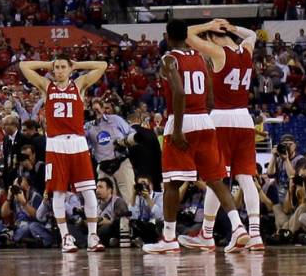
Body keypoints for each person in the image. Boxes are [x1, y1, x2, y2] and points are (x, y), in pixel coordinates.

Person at [143, 19, 250, 254]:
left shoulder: (169, 59)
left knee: (171, 183)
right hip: (205, 120)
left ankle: (169, 239)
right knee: (216, 180)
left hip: (183, 122)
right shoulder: (200, 58)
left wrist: (179, 128)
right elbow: (211, 95)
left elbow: (179, 92)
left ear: (168, 36)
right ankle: (239, 227)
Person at [180, 18, 264, 252]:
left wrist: (209, 26)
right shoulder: (246, 48)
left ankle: (206, 234)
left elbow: (184, 34)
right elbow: (253, 34)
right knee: (246, 178)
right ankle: (256, 234)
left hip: (222, 119)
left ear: (214, 37)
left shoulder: (219, 53)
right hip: (245, 119)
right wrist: (232, 27)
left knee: (217, 177)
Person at [19, 56, 107, 253]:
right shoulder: (46, 86)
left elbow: (102, 65)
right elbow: (23, 66)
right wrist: (47, 65)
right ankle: (66, 237)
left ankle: (93, 236)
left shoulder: (79, 84)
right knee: (58, 192)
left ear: (69, 69)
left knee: (88, 191)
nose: (58, 70)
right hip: (56, 144)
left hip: (77, 142)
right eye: (56, 67)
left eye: (62, 67)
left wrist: (78, 65)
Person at [85, 100, 136, 205]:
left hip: (121, 162)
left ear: (103, 109)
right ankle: (109, 221)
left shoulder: (115, 119)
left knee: (129, 198)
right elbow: (81, 141)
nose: (96, 113)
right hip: (103, 167)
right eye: (93, 110)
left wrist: (124, 143)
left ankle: (129, 221)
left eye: (97, 110)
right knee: (105, 201)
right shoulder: (88, 127)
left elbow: (132, 133)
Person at [94, 178, 130, 247]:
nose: (97, 190)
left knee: (104, 230)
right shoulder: (96, 203)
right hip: (97, 228)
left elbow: (124, 221)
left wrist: (109, 222)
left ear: (109, 190)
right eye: (97, 187)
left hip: (112, 229)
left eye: (100, 187)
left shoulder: (118, 202)